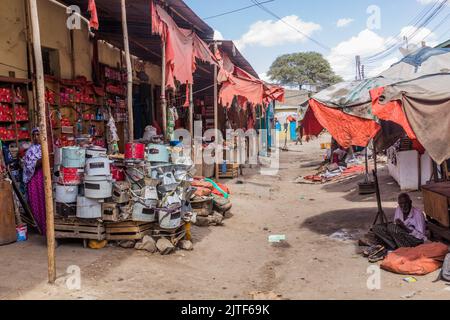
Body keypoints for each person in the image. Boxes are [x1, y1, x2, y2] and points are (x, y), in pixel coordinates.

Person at [367, 193, 427, 261]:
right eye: (401, 204)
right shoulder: (399, 209)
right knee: (376, 228)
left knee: (392, 228)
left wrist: (405, 228)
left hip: (414, 240)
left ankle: (399, 249)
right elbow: (395, 224)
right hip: (399, 234)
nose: (403, 206)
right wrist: (397, 226)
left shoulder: (418, 214)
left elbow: (421, 237)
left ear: (410, 202)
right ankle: (396, 247)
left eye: (405, 203)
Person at [23, 128, 46, 235]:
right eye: (34, 135)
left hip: (44, 179)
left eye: (38, 135)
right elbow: (30, 166)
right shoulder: (30, 151)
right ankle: (41, 228)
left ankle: (47, 227)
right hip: (34, 180)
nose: (36, 137)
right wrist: (43, 159)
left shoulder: (46, 147)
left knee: (45, 202)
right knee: (37, 203)